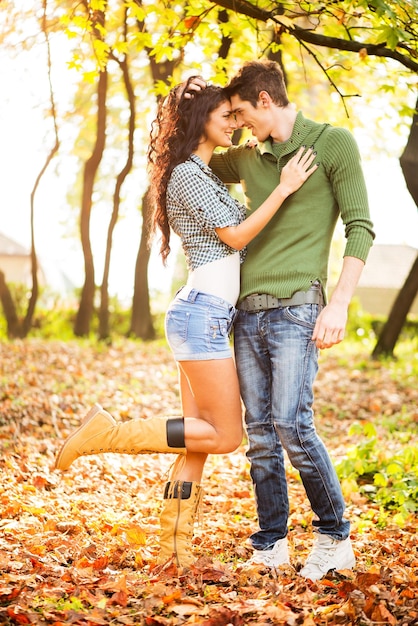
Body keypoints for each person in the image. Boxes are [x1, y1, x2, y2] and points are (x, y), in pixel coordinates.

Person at [54, 79, 318, 568]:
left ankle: (174, 548)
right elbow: (236, 236)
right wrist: (283, 189)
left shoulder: (201, 172)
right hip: (203, 315)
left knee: (196, 439)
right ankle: (106, 436)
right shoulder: (188, 175)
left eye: (236, 117)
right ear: (202, 121)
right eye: (226, 116)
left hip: (205, 314)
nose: (233, 123)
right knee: (225, 437)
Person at [186, 60, 375, 581]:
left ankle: (335, 535)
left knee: (293, 426)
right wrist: (194, 103)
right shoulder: (246, 158)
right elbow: (191, 158)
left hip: (298, 306)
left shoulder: (333, 144)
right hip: (246, 312)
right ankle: (271, 542)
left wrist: (337, 304)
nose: (240, 123)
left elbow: (360, 227)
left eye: (243, 112)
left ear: (266, 101)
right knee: (261, 436)